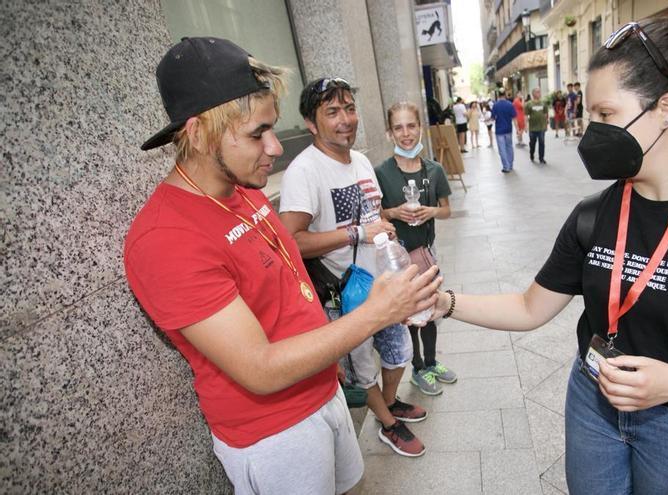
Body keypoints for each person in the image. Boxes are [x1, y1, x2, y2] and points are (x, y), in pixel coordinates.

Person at [430, 3, 668, 493]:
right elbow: (531, 306)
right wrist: (445, 303)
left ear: (666, 110)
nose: (592, 131)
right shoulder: (595, 214)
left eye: (606, 114)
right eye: (590, 114)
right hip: (591, 401)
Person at [125, 38, 440, 494]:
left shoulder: (245, 190)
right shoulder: (164, 239)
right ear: (198, 133)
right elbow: (259, 367)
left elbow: (290, 287)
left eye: (273, 128)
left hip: (323, 391)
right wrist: (379, 311)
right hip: (275, 434)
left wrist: (330, 365)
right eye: (257, 133)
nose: (275, 148)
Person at [279, 77, 433, 458]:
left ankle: (391, 401)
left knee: (398, 355)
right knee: (363, 370)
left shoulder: (361, 160)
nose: (345, 119)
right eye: (332, 112)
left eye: (349, 108)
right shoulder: (305, 171)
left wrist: (387, 227)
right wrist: (357, 233)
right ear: (311, 123)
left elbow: (373, 213)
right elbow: (291, 240)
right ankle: (388, 424)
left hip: (382, 283)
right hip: (344, 294)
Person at [375, 101, 458, 396]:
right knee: (410, 314)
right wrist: (394, 213)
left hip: (425, 253)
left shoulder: (434, 170)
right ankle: (418, 368)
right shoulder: (382, 173)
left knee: (432, 308)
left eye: (411, 125)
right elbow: (376, 215)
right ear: (389, 133)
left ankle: (433, 362)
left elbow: (447, 210)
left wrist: (430, 212)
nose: (406, 133)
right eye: (398, 127)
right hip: (398, 259)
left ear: (419, 127)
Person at [491, 93, 516, 173]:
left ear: (498, 96)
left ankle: (506, 167)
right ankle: (511, 164)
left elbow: (493, 118)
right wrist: (517, 129)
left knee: (502, 149)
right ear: (505, 95)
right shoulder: (510, 104)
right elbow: (514, 116)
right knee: (509, 147)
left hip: (499, 130)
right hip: (508, 129)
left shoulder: (495, 105)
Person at [525, 87, 549, 164]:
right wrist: (526, 126)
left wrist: (546, 125)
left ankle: (541, 158)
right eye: (537, 92)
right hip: (532, 128)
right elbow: (525, 115)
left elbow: (545, 114)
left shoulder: (543, 103)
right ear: (533, 94)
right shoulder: (528, 104)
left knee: (542, 143)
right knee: (532, 143)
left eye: (539, 92)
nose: (539, 93)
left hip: (541, 127)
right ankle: (531, 154)